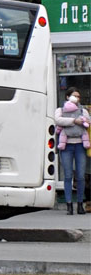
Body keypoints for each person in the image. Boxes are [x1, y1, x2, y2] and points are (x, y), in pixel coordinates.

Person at [55, 87, 90, 215]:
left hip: (80, 145)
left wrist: (83, 120)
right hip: (66, 146)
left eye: (79, 96)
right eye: (75, 96)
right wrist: (74, 121)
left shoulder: (83, 110)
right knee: (68, 175)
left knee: (80, 176)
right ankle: (69, 205)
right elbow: (58, 120)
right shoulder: (60, 110)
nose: (77, 98)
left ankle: (80, 204)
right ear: (67, 97)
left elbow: (88, 121)